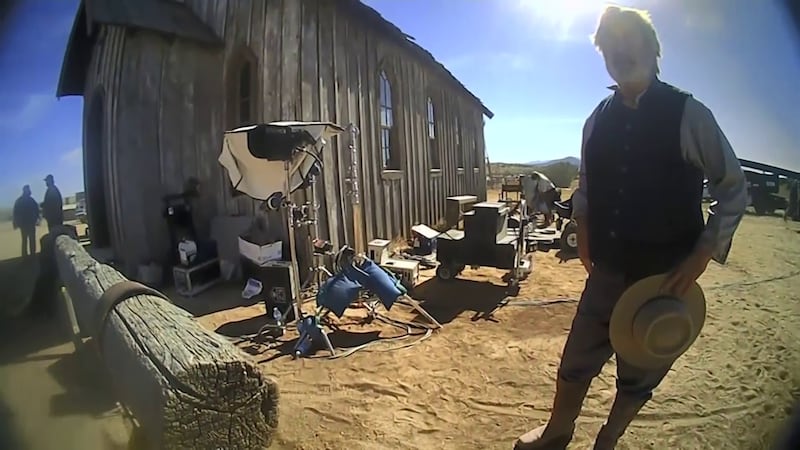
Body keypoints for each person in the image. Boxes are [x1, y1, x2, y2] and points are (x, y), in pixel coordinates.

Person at [513, 6, 747, 450]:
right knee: (576, 358)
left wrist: (703, 254)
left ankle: (609, 438)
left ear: (653, 50)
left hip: (665, 275)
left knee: (641, 367)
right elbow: (587, 184)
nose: (620, 53)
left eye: (629, 41)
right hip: (609, 265)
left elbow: (733, 187)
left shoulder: (688, 113)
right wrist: (582, 225)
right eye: (609, 46)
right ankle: (557, 431)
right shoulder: (597, 118)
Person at [12, 185, 40, 257]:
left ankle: (25, 257)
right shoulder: (31, 200)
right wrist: (37, 219)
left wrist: (15, 223)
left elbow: (15, 213)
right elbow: (37, 210)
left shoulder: (19, 201)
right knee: (31, 240)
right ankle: (32, 256)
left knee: (25, 240)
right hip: (30, 223)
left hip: (24, 224)